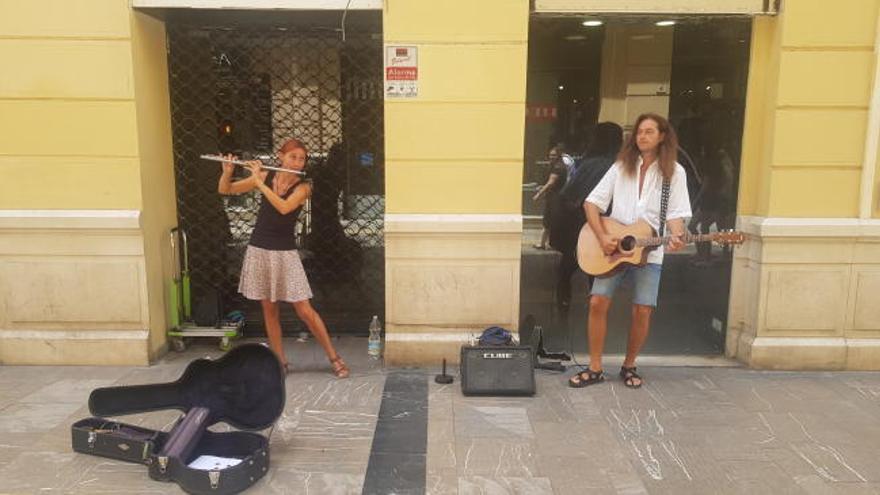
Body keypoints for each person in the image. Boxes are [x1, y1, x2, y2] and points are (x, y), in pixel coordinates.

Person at [569, 114, 691, 389]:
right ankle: (595, 367)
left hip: (650, 252)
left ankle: (629, 365)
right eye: (639, 132)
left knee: (642, 310)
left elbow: (675, 216)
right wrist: (602, 237)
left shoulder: (675, 173)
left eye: (649, 132)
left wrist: (677, 237)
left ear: (662, 136)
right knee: (597, 302)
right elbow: (592, 204)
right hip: (612, 248)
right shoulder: (620, 166)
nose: (642, 136)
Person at [218, 139, 349, 378]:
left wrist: (259, 182)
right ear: (281, 157)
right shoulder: (267, 175)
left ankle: (334, 357)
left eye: (302, 159)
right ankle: (280, 362)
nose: (298, 163)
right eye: (293, 157)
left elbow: (284, 207)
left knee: (304, 309)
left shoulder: (304, 186)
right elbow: (226, 190)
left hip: (285, 253)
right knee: (270, 309)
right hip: (259, 249)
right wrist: (227, 173)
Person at [550, 123, 623, 309]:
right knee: (598, 271)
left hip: (579, 225)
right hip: (606, 226)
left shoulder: (589, 164)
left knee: (567, 268)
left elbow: (568, 194)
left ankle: (563, 305)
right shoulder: (616, 165)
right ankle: (595, 308)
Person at [532, 145, 569, 250]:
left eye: (553, 155)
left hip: (555, 198)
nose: (551, 157)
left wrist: (539, 194)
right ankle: (544, 243)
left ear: (558, 155)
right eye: (550, 155)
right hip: (554, 197)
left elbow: (551, 182)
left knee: (550, 221)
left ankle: (547, 243)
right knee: (549, 221)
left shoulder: (558, 167)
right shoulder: (557, 165)